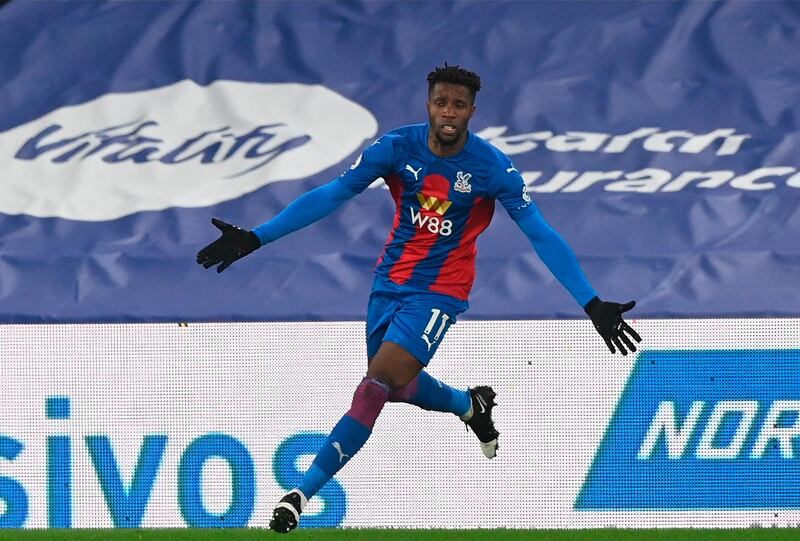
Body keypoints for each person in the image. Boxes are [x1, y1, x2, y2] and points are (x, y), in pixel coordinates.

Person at [196, 64, 641, 533]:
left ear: (472, 110)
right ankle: (470, 406)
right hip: (389, 282)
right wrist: (257, 237)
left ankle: (300, 494)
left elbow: (540, 233)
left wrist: (591, 302)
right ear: (429, 104)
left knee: (375, 385)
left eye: (459, 105)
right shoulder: (395, 148)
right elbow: (333, 193)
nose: (449, 112)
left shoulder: (492, 168)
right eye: (442, 102)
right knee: (399, 387)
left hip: (441, 290)